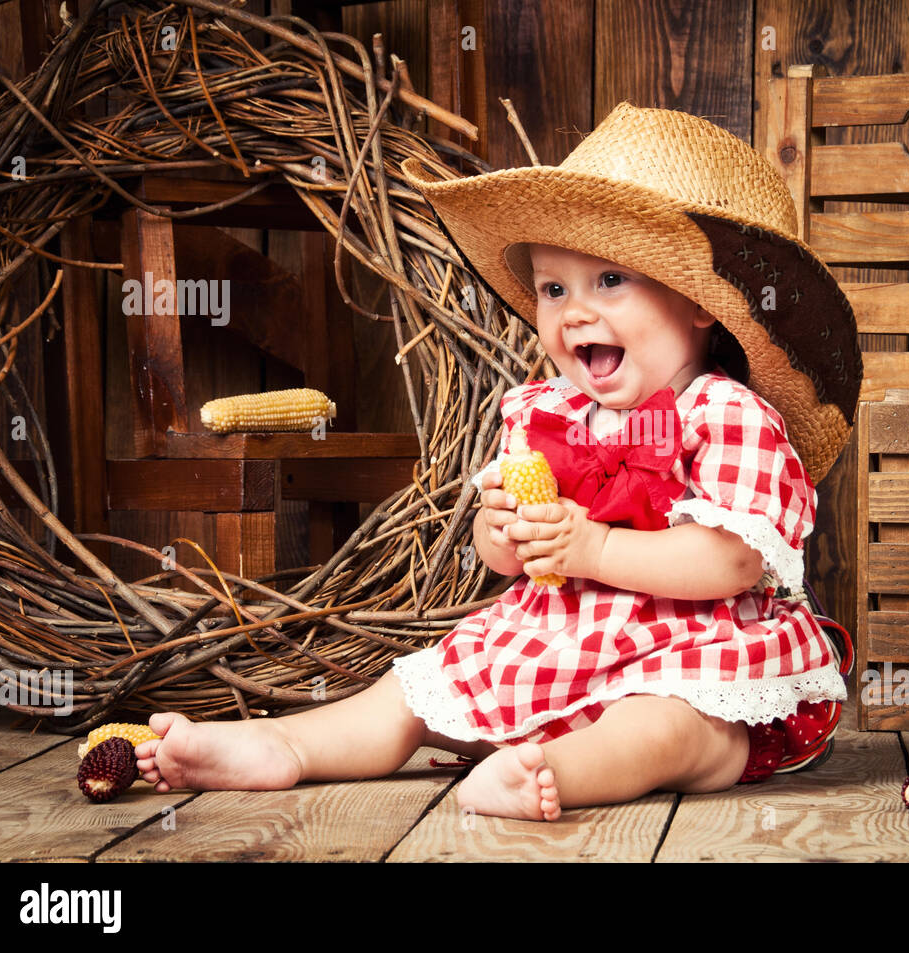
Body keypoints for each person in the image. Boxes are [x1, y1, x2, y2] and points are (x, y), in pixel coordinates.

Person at [135, 101, 863, 821]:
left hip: (690, 653)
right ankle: (283, 742)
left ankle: (554, 771)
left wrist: (596, 545)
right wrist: (506, 534)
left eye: (609, 280)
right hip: (554, 640)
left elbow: (731, 562)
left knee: (671, 731)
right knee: (416, 691)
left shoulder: (725, 413)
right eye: (554, 288)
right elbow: (506, 560)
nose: (573, 311)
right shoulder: (547, 411)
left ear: (701, 303)